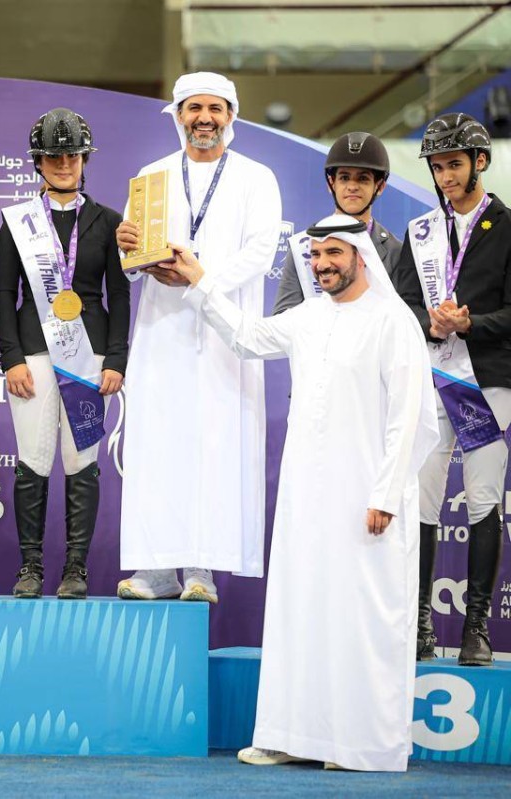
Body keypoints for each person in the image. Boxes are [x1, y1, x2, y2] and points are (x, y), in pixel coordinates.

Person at [167, 215, 437, 772]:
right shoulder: (308, 317)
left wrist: (387, 492)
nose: (321, 265)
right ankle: (291, 735)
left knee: (364, 619)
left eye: (333, 253)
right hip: (306, 502)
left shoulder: (393, 321)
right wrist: (199, 279)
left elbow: (410, 416)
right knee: (301, 613)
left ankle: (360, 745)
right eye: (314, 255)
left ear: (360, 255)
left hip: (369, 503)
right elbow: (246, 337)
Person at [115, 72, 281, 603]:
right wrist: (128, 250)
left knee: (215, 446)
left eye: (215, 108)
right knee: (158, 445)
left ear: (230, 116)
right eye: (194, 108)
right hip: (162, 332)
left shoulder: (256, 178)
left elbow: (260, 252)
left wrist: (199, 279)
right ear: (178, 115)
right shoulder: (152, 176)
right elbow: (133, 258)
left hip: (225, 333)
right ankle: (155, 571)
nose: (204, 118)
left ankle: (201, 570)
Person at [0, 108, 128, 599]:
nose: (64, 164)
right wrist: (10, 357)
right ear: (38, 162)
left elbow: (120, 295)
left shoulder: (109, 221)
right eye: (54, 157)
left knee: (81, 460)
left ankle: (75, 569)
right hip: (32, 353)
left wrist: (116, 359)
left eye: (72, 156)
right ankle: (30, 567)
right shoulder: (18, 222)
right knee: (32, 459)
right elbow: (3, 294)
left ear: (85, 159)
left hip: (89, 355)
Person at [393, 112, 510, 666]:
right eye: (437, 167)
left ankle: (476, 629)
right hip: (431, 376)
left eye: (454, 165)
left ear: (479, 162)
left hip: (488, 381)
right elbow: (403, 306)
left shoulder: (507, 227)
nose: (445, 176)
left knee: (484, 500)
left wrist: (471, 324)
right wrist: (432, 325)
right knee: (422, 496)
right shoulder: (421, 232)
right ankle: (419, 622)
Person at [272, 132, 402, 314]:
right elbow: (283, 318)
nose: (352, 186)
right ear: (331, 183)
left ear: (379, 186)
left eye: (363, 178)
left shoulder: (396, 251)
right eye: (344, 177)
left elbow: (405, 320)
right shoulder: (302, 246)